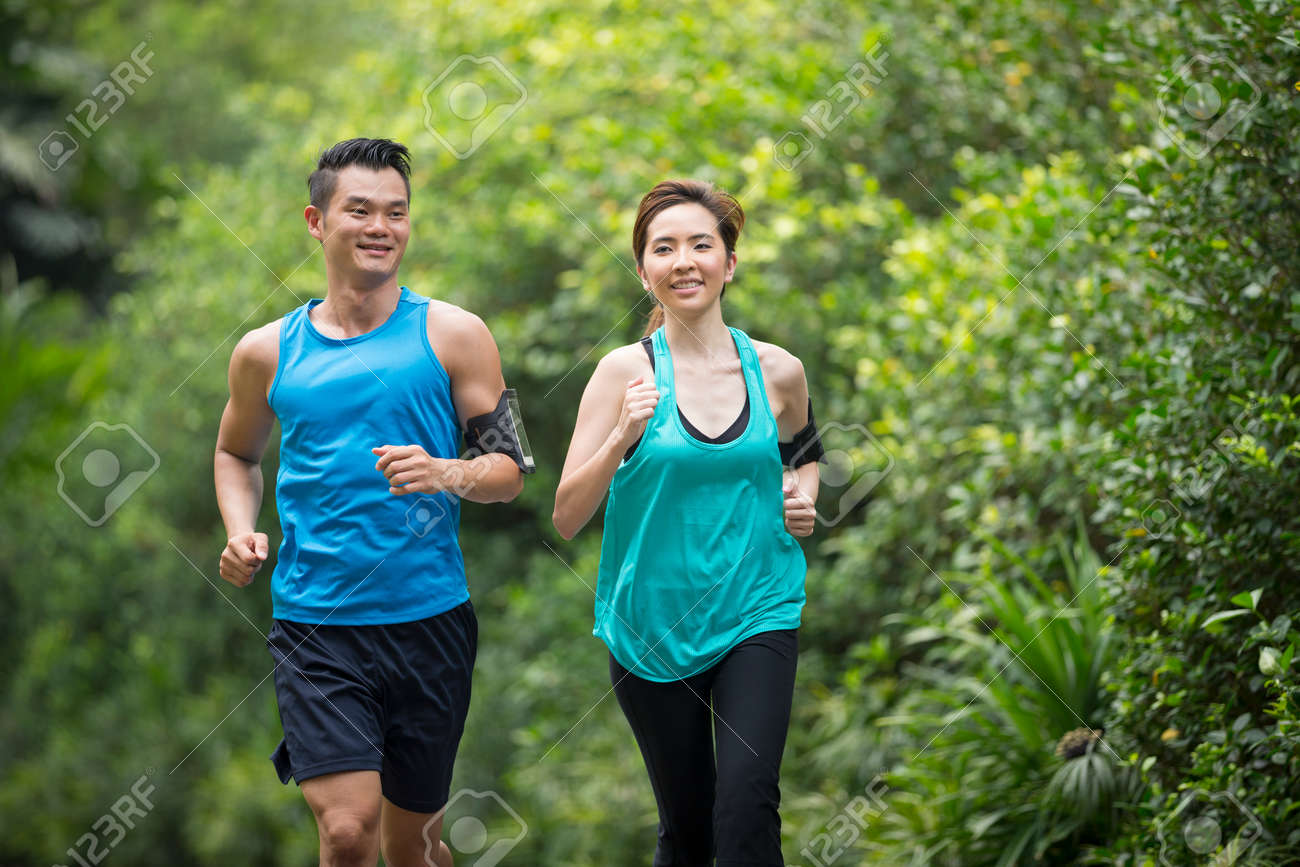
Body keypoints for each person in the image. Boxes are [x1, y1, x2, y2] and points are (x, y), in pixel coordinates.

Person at [213, 137, 531, 867]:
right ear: (318, 221)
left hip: (430, 620)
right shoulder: (266, 351)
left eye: (397, 212)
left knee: (411, 847)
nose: (381, 226)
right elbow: (236, 453)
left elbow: (510, 469)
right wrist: (240, 529)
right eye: (360, 210)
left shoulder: (457, 334)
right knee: (347, 831)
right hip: (317, 623)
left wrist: (446, 471)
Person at [553, 179, 824, 866]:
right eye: (663, 248)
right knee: (689, 825)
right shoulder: (623, 373)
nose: (684, 261)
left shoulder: (777, 369)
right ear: (645, 271)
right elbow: (566, 515)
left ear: (728, 262)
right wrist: (620, 436)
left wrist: (803, 496)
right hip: (651, 623)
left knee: (746, 798)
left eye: (701, 244)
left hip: (757, 606)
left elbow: (805, 447)